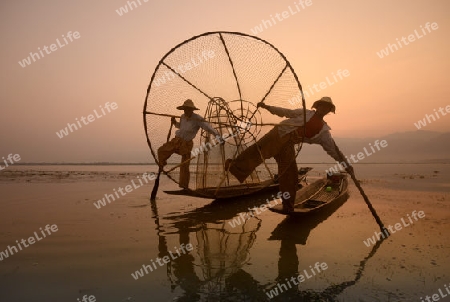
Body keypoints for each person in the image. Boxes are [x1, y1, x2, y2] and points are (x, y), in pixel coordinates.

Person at [225, 97, 352, 212]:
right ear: (317, 106)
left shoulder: (324, 132)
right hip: (279, 133)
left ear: (328, 110)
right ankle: (234, 166)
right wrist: (267, 107)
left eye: (326, 107)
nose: (323, 109)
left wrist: (346, 164)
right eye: (321, 106)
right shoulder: (305, 113)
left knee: (290, 174)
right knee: (258, 151)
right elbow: (286, 112)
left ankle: (288, 205)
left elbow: (333, 150)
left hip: (288, 144)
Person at [157, 99, 221, 189]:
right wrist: (175, 123)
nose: (185, 111)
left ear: (192, 109)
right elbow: (181, 127)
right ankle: (162, 165)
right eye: (184, 109)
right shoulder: (183, 116)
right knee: (161, 150)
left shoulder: (197, 119)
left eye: (187, 109)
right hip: (176, 141)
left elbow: (208, 127)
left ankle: (184, 186)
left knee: (184, 165)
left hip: (186, 144)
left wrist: (218, 136)